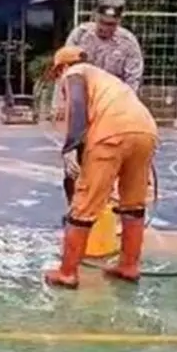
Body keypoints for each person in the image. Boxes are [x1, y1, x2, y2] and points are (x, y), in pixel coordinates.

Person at [44, 46, 158, 289]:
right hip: (146, 131)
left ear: (63, 67)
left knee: (83, 205)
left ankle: (67, 272)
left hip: (111, 133)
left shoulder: (74, 72)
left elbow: (77, 105)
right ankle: (129, 266)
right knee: (134, 204)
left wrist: (71, 146)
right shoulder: (107, 79)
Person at [59, 0, 146, 210]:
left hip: (112, 111)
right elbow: (66, 71)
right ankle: (74, 209)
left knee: (110, 162)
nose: (106, 28)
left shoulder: (128, 44)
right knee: (73, 164)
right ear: (95, 16)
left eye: (112, 24)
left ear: (120, 21)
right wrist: (61, 108)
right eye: (103, 22)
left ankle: (108, 212)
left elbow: (133, 82)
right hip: (82, 107)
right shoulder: (80, 36)